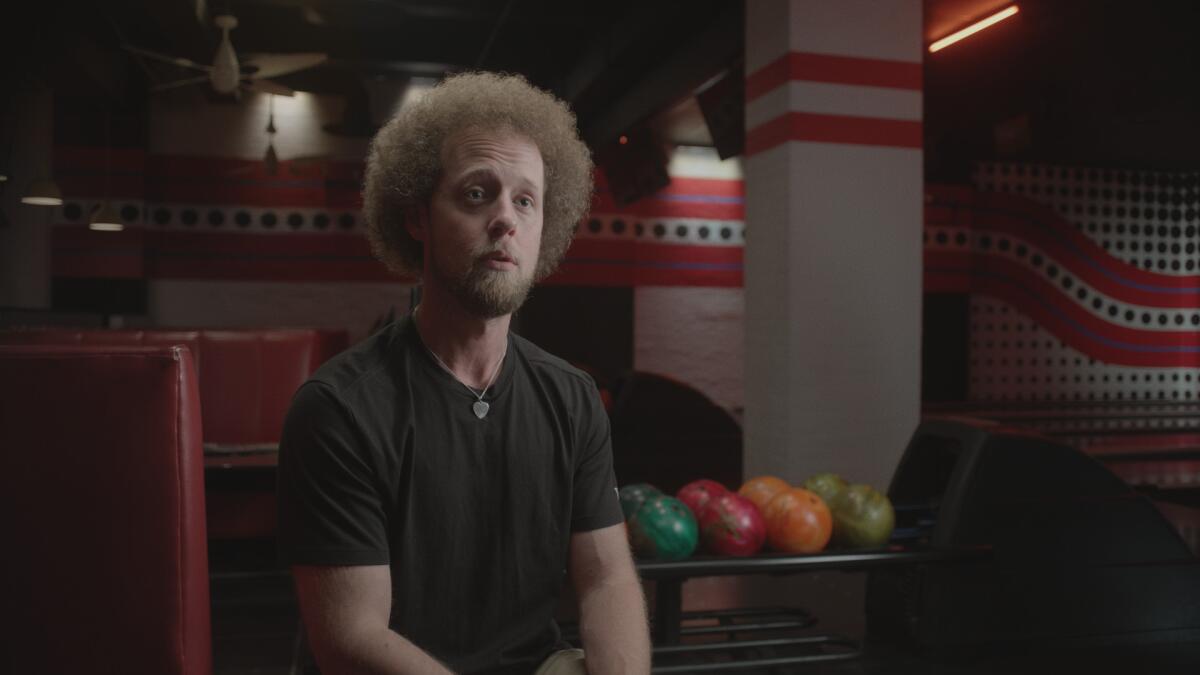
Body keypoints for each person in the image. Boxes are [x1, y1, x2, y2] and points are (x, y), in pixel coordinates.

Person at [277, 71, 651, 675]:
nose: (507, 218)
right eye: (478, 194)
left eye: (525, 199)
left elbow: (608, 579)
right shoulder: (338, 409)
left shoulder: (573, 399)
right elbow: (350, 638)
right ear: (418, 217)